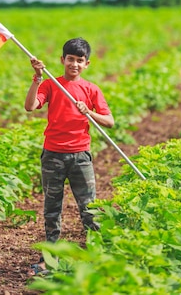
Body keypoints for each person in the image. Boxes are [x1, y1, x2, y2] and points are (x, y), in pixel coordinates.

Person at [24, 37, 114, 275]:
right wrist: (37, 78)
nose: (74, 64)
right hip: (53, 154)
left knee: (89, 208)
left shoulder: (91, 89)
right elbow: (31, 106)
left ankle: (96, 257)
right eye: (70, 59)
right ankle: (48, 259)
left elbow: (110, 122)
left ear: (87, 64)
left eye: (80, 61)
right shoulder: (52, 84)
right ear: (62, 60)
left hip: (80, 156)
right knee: (52, 208)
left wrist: (90, 112)